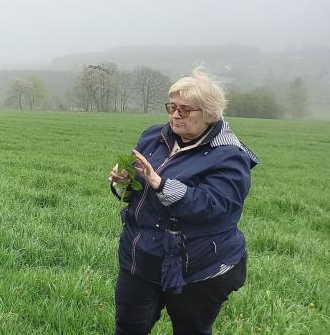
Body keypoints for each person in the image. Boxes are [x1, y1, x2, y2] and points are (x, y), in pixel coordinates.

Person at [108, 68, 258, 335]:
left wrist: (161, 184)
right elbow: (134, 191)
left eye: (185, 110)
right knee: (128, 327)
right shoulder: (154, 136)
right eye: (172, 106)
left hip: (199, 267)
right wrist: (123, 181)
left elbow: (215, 206)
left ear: (209, 113)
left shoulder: (230, 156)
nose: (175, 115)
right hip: (140, 257)